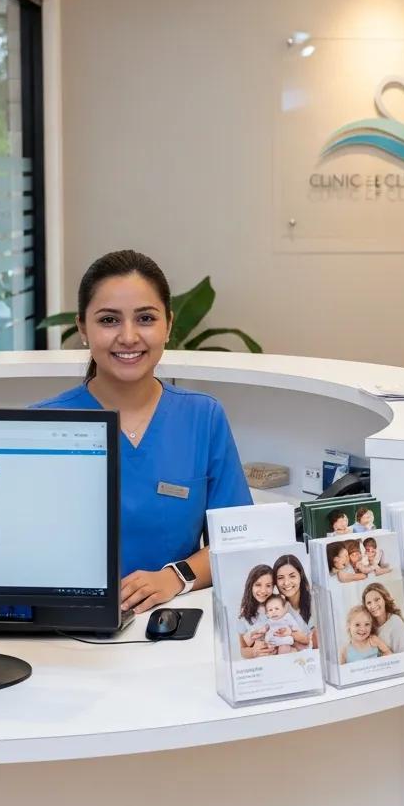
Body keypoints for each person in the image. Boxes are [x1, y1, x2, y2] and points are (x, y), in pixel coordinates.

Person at [32, 250, 252, 614]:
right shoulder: (43, 424)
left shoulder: (202, 416)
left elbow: (238, 540)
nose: (129, 336)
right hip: (69, 626)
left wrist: (174, 577)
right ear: (83, 329)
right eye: (108, 320)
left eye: (145, 318)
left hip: (173, 621)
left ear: (168, 324)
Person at [273, 553, 318, 650]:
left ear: (300, 576)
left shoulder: (316, 601)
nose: (286, 582)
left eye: (292, 576)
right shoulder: (276, 609)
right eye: (280, 578)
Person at [237, 564, 274, 658]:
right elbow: (243, 650)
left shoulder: (278, 605)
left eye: (268, 585)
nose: (263, 590)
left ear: (273, 587)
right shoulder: (244, 613)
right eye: (258, 585)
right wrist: (253, 652)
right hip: (260, 661)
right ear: (251, 585)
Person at [363, 582, 404, 654]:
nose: (373, 605)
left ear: (384, 599)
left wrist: (380, 644)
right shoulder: (368, 625)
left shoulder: (395, 623)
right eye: (369, 603)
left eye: (377, 599)